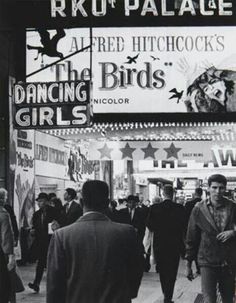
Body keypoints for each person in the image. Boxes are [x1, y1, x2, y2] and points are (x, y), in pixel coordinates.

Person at [47, 180, 144, 303]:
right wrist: (127, 293)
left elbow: (54, 284)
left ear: (81, 202)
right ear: (107, 203)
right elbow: (137, 268)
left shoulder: (62, 236)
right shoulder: (127, 232)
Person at [186, 174, 236, 303]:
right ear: (208, 188)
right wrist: (189, 263)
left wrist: (233, 232)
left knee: (228, 298)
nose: (217, 192)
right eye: (214, 187)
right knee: (209, 299)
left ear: (225, 189)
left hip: (228, 261)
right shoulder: (199, 209)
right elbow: (191, 237)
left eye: (221, 188)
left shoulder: (233, 207)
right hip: (207, 260)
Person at [146, 184, 186, 303]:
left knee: (162, 271)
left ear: (163, 194)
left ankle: (166, 295)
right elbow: (184, 225)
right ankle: (168, 296)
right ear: (173, 194)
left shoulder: (154, 208)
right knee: (172, 272)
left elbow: (149, 225)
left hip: (160, 244)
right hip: (175, 245)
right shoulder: (180, 208)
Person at [28, 192, 58, 293]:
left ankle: (55, 285)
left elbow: (61, 223)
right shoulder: (36, 214)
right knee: (40, 264)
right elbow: (34, 227)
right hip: (41, 243)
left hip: (52, 241)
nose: (39, 203)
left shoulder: (54, 211)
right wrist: (32, 231)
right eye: (38, 201)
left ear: (46, 202)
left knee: (52, 264)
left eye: (41, 201)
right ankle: (36, 284)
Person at [0, 188, 17, 303]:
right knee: (4, 284)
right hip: (1, 254)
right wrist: (10, 256)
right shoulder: (3, 213)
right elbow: (6, 236)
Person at [184, 187, 203, 275]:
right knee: (200, 246)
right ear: (201, 193)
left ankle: (192, 264)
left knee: (192, 246)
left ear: (195, 193)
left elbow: (185, 218)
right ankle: (199, 267)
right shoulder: (204, 204)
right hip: (202, 230)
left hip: (190, 228)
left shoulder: (188, 204)